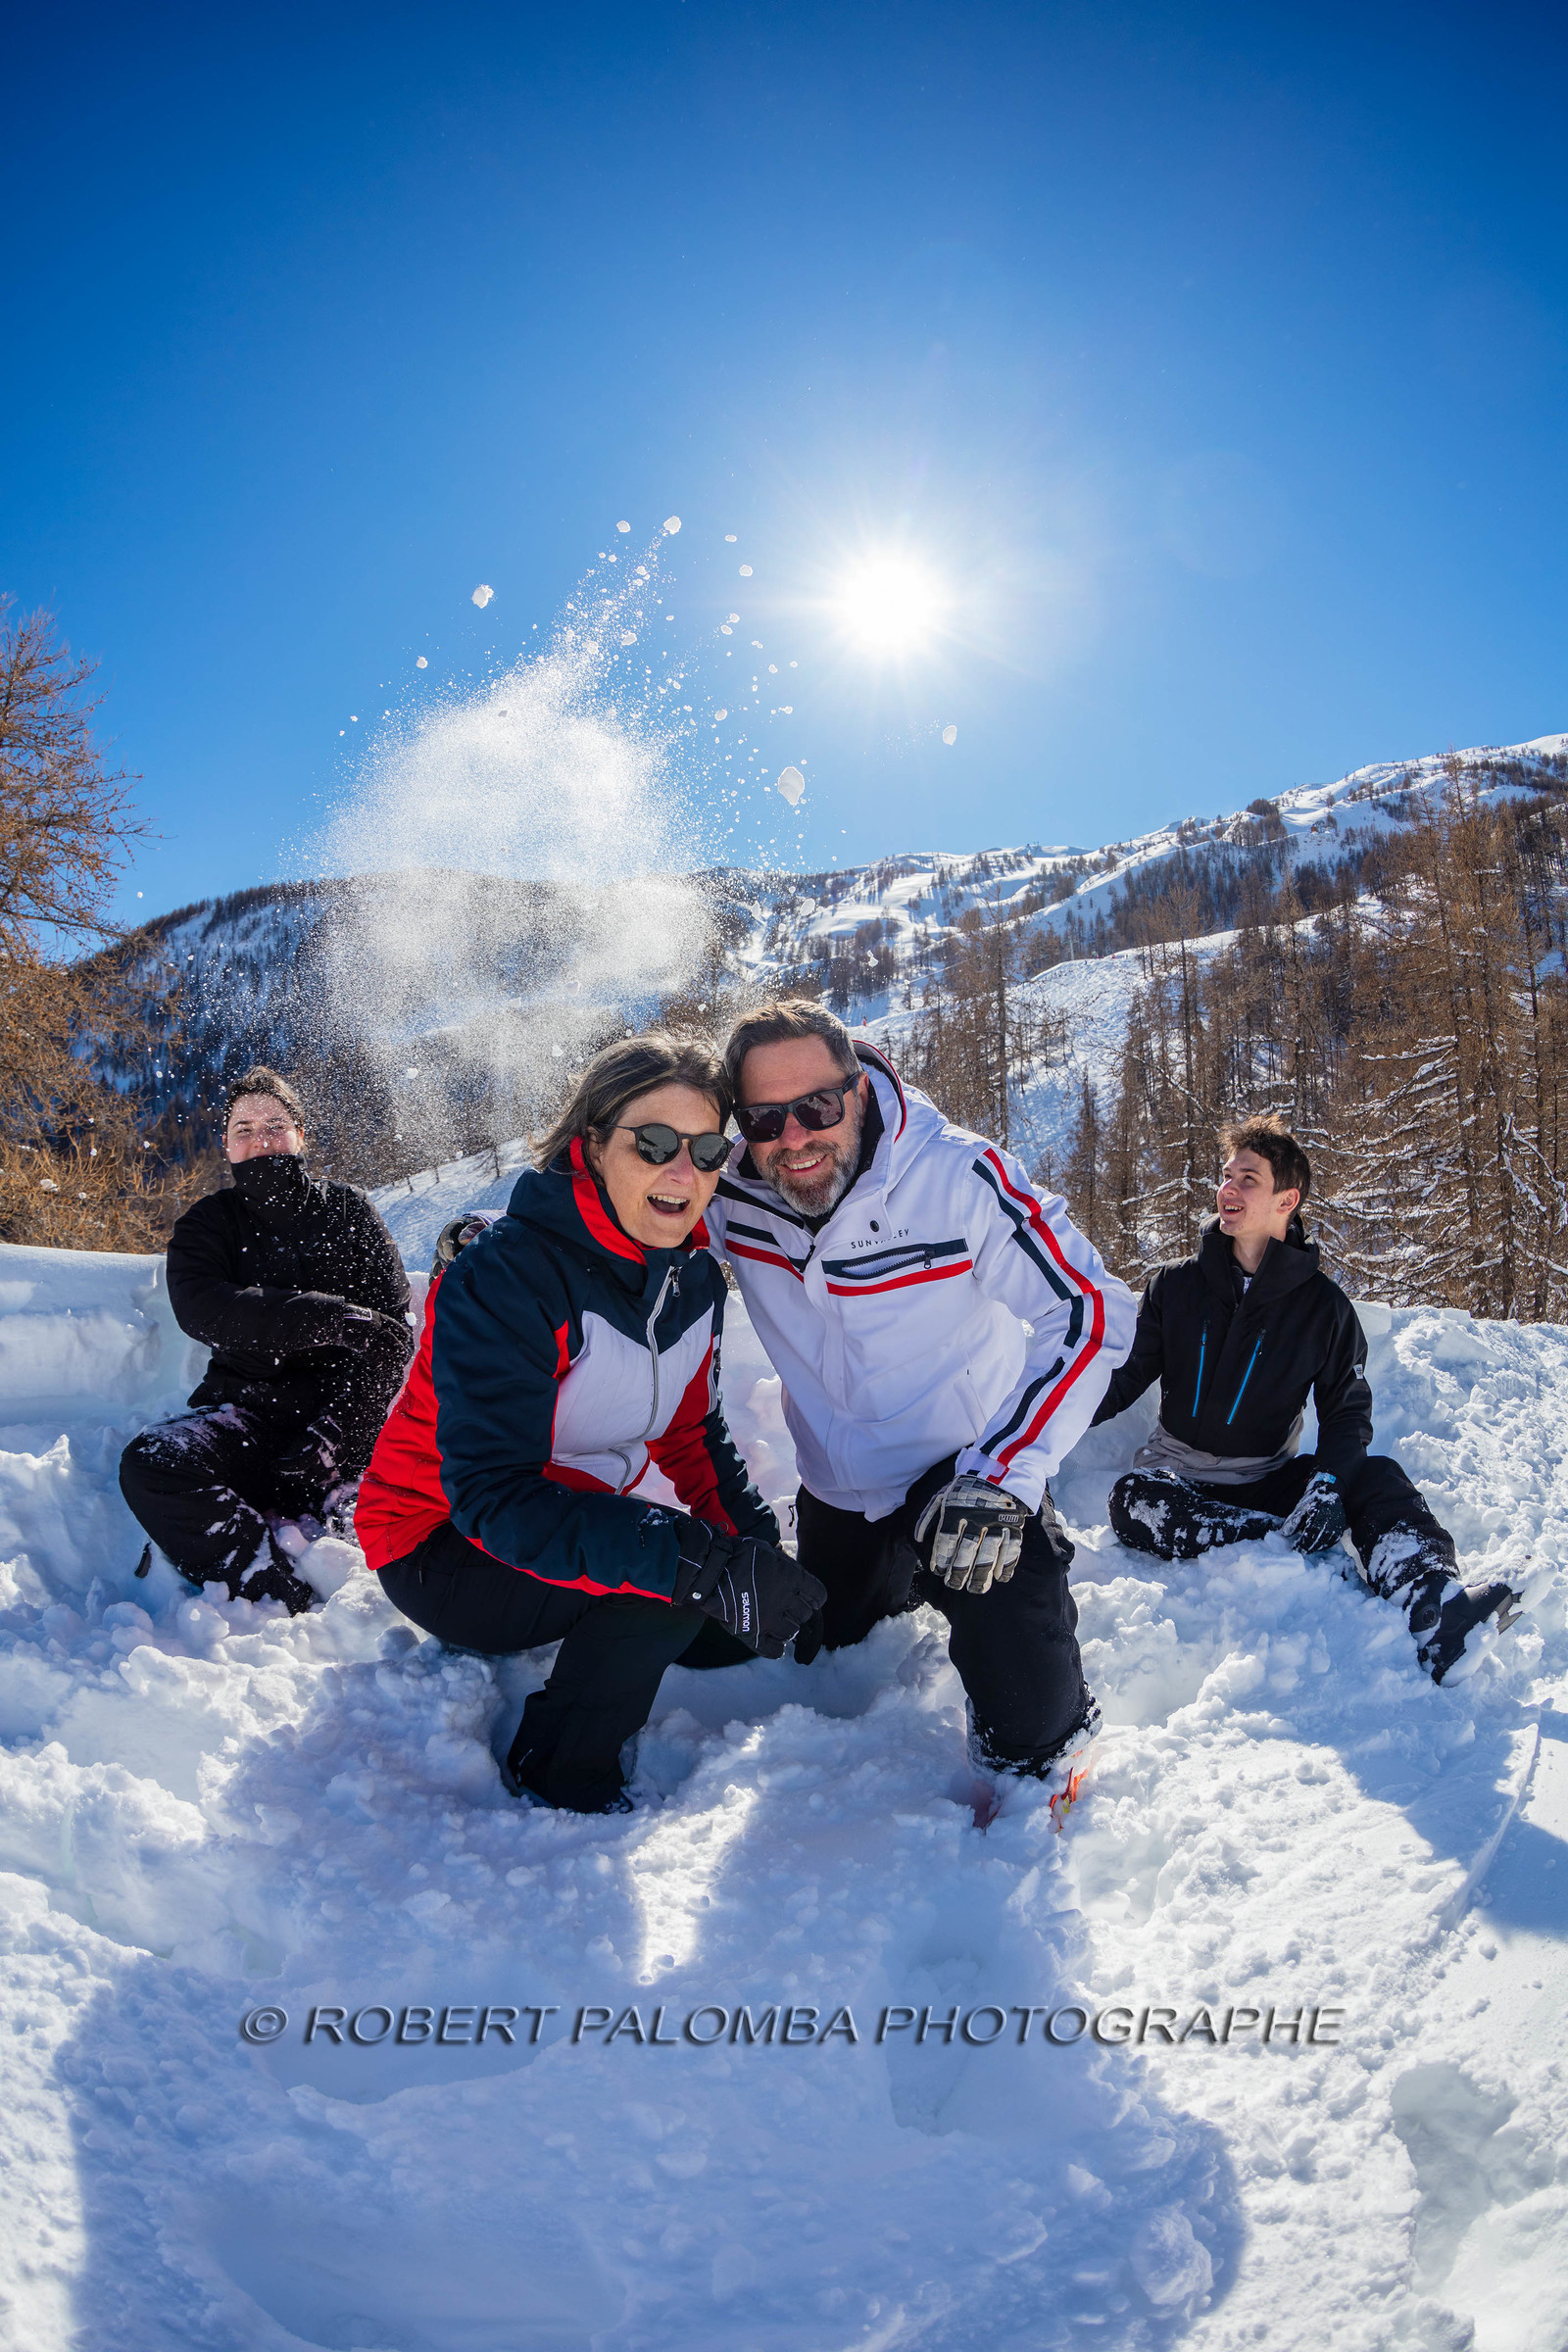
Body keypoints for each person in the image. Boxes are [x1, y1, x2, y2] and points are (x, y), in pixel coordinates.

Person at [355, 1034, 825, 1815]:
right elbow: (491, 1497)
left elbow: (693, 1437)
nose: (684, 1171)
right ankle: (560, 1769)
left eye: (707, 1149)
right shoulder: (509, 1278)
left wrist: (758, 1559)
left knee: (712, 1588)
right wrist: (696, 1565)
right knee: (667, 1577)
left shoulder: (694, 1278)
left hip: (557, 1501)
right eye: (655, 1143)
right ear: (593, 1144)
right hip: (438, 1540)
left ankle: (680, 1614)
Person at [705, 999, 1137, 1809]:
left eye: (816, 1107)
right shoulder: (734, 1193)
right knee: (833, 1649)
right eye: (765, 1119)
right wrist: (510, 1241)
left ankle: (1044, 1769)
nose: (794, 1137)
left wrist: (1006, 1474)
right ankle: (899, 1589)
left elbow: (1090, 1308)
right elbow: (625, 1211)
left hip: (961, 1470)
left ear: (858, 1092)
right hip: (838, 1484)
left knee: (1004, 1602)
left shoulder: (954, 1176)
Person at [1093, 1112, 1526, 1684]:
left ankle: (1434, 1609)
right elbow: (1124, 1378)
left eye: (1248, 1178)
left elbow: (1347, 1414)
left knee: (1377, 1478)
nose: (1229, 1188)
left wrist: (1326, 1485)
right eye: (1227, 1176)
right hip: (1176, 1478)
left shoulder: (1324, 1307)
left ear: (1286, 1199)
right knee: (1133, 1500)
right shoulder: (1175, 1284)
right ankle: (1276, 1538)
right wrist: (1036, 1414)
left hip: (1267, 1479)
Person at [120, 1066, 414, 1613]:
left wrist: (338, 1436)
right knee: (152, 1462)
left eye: (276, 1123)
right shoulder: (207, 1225)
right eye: (244, 1128)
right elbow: (205, 1310)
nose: (261, 1138)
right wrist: (329, 1319)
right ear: (227, 1146)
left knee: (395, 1517)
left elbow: (393, 1338)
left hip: (347, 1427)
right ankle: (278, 1591)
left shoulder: (349, 1211)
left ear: (302, 1134)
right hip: (247, 1417)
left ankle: (358, 1599)